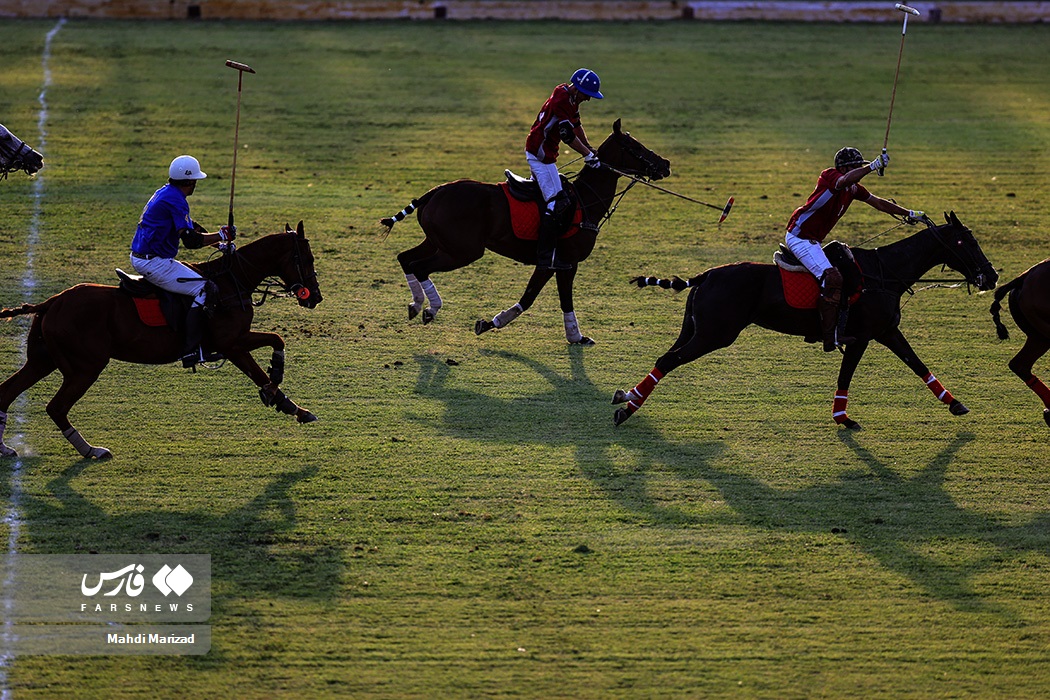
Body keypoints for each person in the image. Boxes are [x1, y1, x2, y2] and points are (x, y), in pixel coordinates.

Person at [785, 147, 924, 352]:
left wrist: (909, 213)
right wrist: (872, 166)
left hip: (813, 240)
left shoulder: (854, 189)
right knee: (832, 278)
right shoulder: (830, 176)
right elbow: (843, 181)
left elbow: (878, 203)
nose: (859, 171)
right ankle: (827, 335)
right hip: (799, 237)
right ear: (846, 168)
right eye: (856, 167)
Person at [130, 155, 235, 368]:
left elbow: (191, 227)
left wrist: (220, 245)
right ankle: (192, 350)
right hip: (154, 262)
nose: (196, 184)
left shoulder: (167, 192)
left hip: (147, 257)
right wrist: (221, 235)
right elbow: (191, 241)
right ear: (189, 181)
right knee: (206, 289)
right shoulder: (175, 199)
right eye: (195, 180)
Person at [525, 68, 603, 270]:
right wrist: (587, 154)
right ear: (577, 90)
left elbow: (576, 125)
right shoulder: (562, 100)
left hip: (546, 153)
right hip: (540, 154)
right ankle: (546, 257)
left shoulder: (567, 96)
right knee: (555, 203)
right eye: (587, 95)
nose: (588, 99)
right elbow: (568, 135)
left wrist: (590, 148)